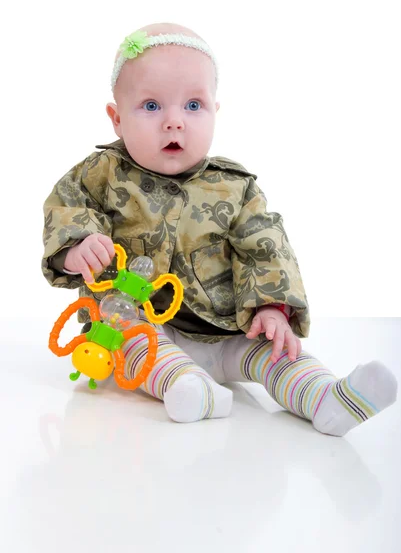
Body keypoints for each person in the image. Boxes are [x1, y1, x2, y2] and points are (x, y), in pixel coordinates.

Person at [42, 22, 397, 432]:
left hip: (227, 329)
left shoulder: (234, 186)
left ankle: (325, 396)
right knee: (136, 340)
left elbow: (265, 247)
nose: (174, 122)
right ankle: (189, 386)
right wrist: (76, 248)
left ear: (215, 111)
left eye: (193, 106)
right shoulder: (101, 174)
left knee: (275, 349)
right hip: (136, 321)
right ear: (117, 118)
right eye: (152, 106)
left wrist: (271, 309)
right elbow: (67, 209)